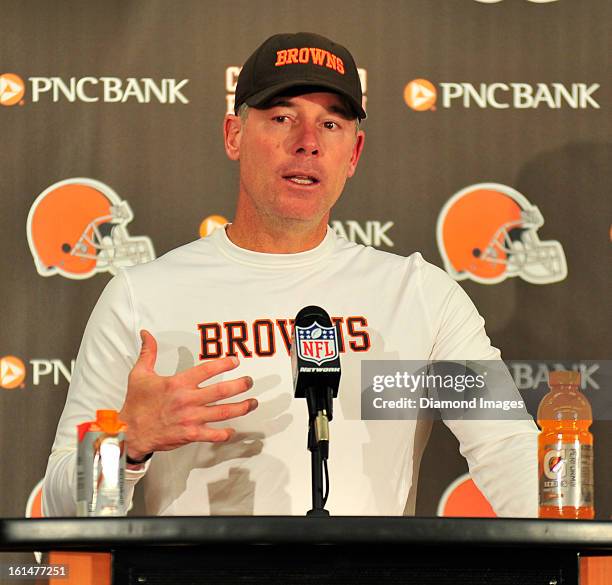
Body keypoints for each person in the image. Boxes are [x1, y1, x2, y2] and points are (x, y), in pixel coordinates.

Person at [43, 32, 538, 517]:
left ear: (355, 154)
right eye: (282, 117)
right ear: (234, 135)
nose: (307, 144)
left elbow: (507, 449)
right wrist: (127, 444)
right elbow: (66, 506)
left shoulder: (418, 296)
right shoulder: (142, 297)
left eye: (331, 125)